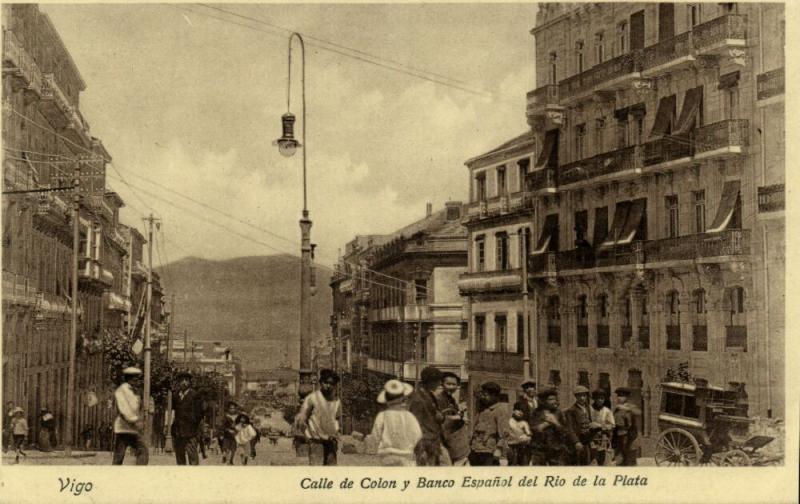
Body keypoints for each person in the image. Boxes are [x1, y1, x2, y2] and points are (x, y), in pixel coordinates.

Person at [369, 379, 422, 466]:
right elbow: (417, 434)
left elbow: (375, 435)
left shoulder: (382, 415)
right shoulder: (409, 416)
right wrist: (409, 446)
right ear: (403, 398)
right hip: (406, 455)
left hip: (387, 456)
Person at [296, 369, 342, 466]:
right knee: (316, 471)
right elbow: (302, 420)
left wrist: (336, 433)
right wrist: (308, 437)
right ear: (321, 383)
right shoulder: (312, 398)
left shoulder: (337, 400)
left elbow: (337, 419)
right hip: (316, 441)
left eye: (332, 383)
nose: (328, 386)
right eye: (326, 382)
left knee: (331, 471)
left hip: (331, 442)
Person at [408, 366, 446, 466]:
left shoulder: (429, 395)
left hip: (433, 441)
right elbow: (416, 425)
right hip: (424, 444)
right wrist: (421, 449)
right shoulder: (418, 400)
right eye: (438, 381)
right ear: (430, 381)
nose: (440, 384)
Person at [112, 367, 149, 465]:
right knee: (119, 457)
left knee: (143, 450)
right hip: (123, 429)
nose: (137, 381)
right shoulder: (121, 391)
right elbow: (123, 411)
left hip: (133, 429)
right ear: (129, 379)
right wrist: (135, 422)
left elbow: (137, 409)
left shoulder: (134, 391)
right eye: (136, 379)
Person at [530, 388, 575, 466]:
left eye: (554, 399)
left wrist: (555, 422)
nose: (554, 401)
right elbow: (533, 429)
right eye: (550, 399)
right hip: (539, 449)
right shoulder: (536, 412)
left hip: (556, 449)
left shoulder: (559, 412)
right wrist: (546, 424)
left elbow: (565, 431)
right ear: (543, 401)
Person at [468, 382, 507, 466]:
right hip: (475, 448)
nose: (484, 397)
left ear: (494, 396)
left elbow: (504, 433)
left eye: (486, 395)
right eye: (483, 394)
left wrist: (499, 449)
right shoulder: (482, 408)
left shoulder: (499, 410)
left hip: (489, 450)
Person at [171, 371, 205, 465]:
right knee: (179, 456)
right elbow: (172, 411)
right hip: (178, 431)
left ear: (190, 382)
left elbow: (200, 414)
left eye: (186, 380)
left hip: (191, 431)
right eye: (181, 380)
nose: (184, 382)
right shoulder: (175, 395)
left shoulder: (195, 395)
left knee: (192, 456)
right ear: (178, 382)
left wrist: (193, 423)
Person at [437, 372, 469, 466]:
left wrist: (460, 414)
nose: (451, 387)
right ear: (442, 384)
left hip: (451, 438)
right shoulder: (439, 399)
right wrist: (457, 417)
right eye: (448, 384)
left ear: (457, 385)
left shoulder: (451, 399)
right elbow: (438, 417)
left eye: (454, 384)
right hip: (442, 439)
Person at [564, 386, 593, 465]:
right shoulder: (571, 410)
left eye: (584, 396)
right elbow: (569, 428)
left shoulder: (587, 408)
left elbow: (589, 421)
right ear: (576, 397)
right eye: (579, 396)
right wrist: (576, 441)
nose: (582, 398)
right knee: (576, 463)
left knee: (587, 462)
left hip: (586, 439)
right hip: (577, 440)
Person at [612, 387, 640, 466]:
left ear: (626, 397)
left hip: (629, 437)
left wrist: (626, 408)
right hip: (619, 437)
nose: (619, 398)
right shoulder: (617, 409)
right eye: (618, 396)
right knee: (620, 460)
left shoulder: (631, 407)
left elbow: (638, 412)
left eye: (621, 396)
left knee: (630, 460)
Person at [588, 389, 615, 466]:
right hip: (590, 437)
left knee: (603, 460)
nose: (600, 400)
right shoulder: (589, 409)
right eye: (598, 398)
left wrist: (600, 426)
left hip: (603, 438)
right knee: (592, 461)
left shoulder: (607, 411)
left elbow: (612, 425)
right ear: (594, 399)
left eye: (602, 398)